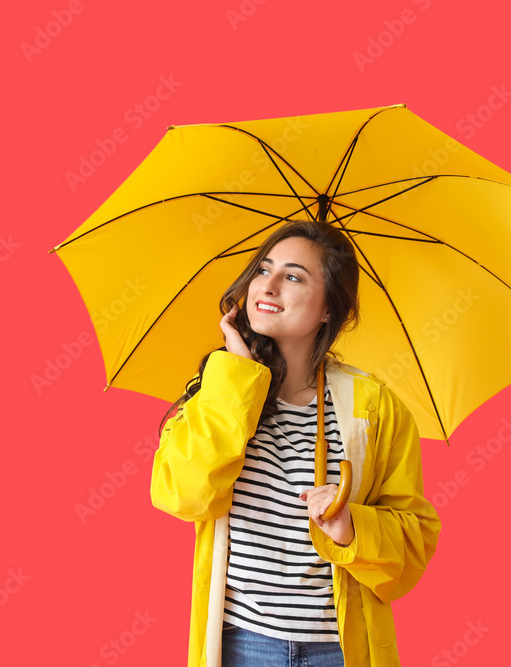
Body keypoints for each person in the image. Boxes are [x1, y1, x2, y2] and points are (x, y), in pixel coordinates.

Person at [150, 220, 441, 667]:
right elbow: (183, 494)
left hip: (340, 650)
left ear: (329, 310)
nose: (266, 286)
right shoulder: (218, 389)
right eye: (263, 270)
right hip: (241, 646)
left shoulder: (375, 408)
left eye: (293, 276)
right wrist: (236, 375)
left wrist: (351, 527)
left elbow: (414, 541)